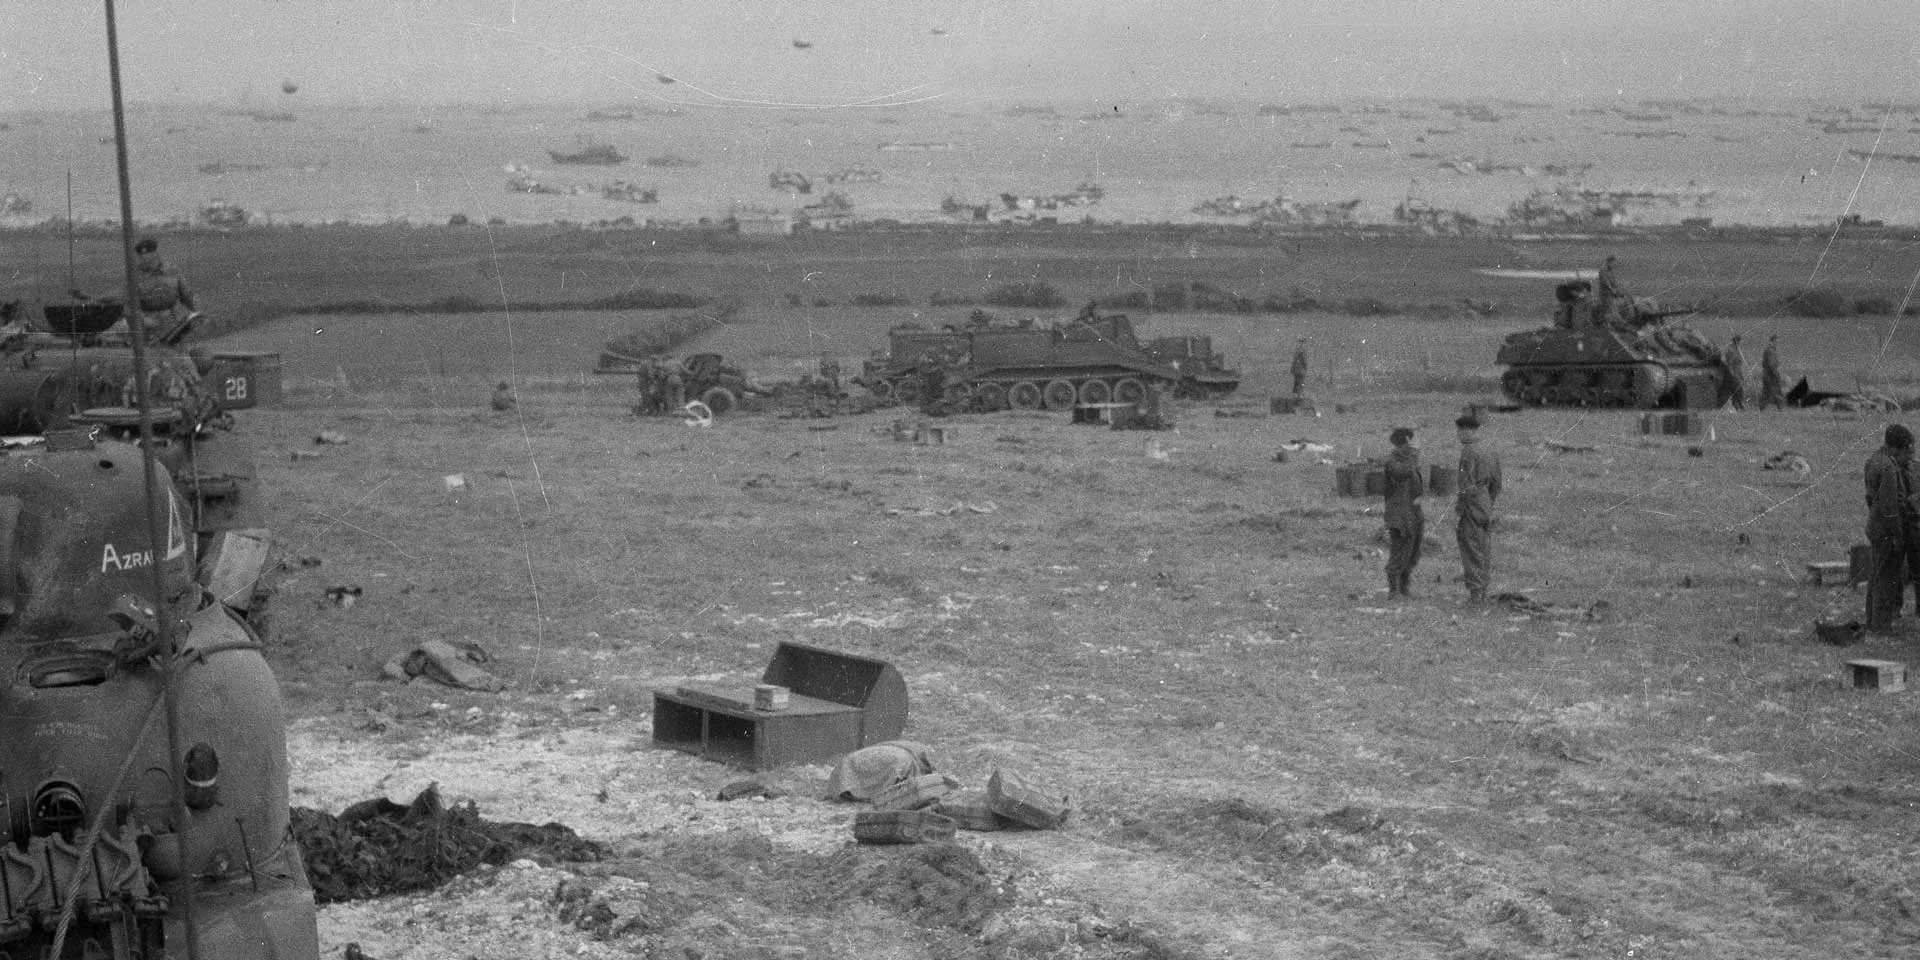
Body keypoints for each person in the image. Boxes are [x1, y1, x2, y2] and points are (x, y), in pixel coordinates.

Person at [1863, 424, 1915, 632]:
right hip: (1887, 530)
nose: (1908, 458)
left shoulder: (1873, 460)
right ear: (1896, 449)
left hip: (1875, 525)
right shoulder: (1889, 468)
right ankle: (1881, 625)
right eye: (1906, 452)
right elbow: (1890, 506)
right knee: (1887, 577)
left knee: (1876, 574)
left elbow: (1870, 497)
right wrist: (1897, 534)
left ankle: (1872, 619)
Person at [1455, 414, 1502, 603]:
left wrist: (1461, 507)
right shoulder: (1490, 449)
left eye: (1460, 430)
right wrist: (1488, 502)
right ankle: (1483, 590)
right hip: (1486, 502)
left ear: (1468, 430)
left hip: (1472, 502)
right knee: (1484, 547)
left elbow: (1465, 485)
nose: (1458, 435)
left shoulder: (1468, 452)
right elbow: (1497, 482)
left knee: (1470, 547)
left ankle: (1476, 594)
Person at [1382, 427, 1425, 597]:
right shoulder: (1392, 461)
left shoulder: (1408, 459)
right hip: (1400, 514)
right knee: (1400, 550)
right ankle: (1394, 590)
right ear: (1407, 440)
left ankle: (1404, 588)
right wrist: (1414, 454)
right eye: (1413, 440)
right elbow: (1401, 473)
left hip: (1414, 512)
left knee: (1413, 551)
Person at [132, 236, 199, 334]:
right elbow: (129, 305)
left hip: (173, 322)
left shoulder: (172, 271)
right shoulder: (135, 276)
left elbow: (187, 295)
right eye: (140, 255)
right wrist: (142, 319)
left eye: (146, 254)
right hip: (148, 325)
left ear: (155, 253)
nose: (143, 258)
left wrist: (197, 314)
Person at [1759, 335, 1785, 410]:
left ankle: (1761, 408)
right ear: (1772, 341)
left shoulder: (1770, 350)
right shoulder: (1770, 351)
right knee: (1776, 391)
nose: (1777, 343)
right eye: (1776, 341)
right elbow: (1772, 364)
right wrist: (1777, 375)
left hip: (1766, 374)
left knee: (1766, 392)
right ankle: (1781, 408)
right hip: (1770, 375)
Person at [1721, 335, 1748, 410]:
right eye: (1739, 342)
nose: (1739, 343)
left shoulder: (1737, 349)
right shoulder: (1731, 350)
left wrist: (1741, 375)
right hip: (1733, 372)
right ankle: (1738, 405)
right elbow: (1729, 364)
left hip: (1738, 372)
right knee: (1738, 389)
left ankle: (1739, 406)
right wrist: (1732, 374)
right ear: (1736, 341)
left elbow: (1740, 362)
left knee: (1738, 389)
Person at [1594, 255, 1624, 322]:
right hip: (1605, 293)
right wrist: (1612, 290)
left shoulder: (1611, 270)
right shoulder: (1603, 270)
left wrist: (1618, 289)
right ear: (1609, 262)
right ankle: (1600, 321)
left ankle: (1611, 320)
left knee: (1612, 307)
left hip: (1610, 293)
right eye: (1613, 263)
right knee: (1606, 308)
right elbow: (1606, 282)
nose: (1614, 265)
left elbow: (1614, 281)